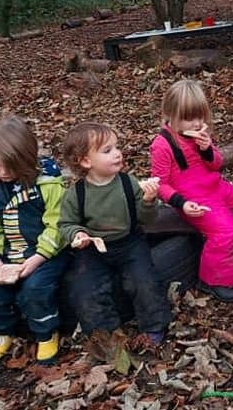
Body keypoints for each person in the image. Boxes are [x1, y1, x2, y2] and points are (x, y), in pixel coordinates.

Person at [58, 122, 171, 344]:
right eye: (107, 151)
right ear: (86, 161)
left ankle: (154, 326)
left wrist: (148, 201)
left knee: (144, 281)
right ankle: (104, 334)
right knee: (85, 289)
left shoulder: (128, 184)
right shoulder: (76, 194)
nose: (117, 154)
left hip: (129, 242)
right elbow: (66, 223)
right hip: (94, 248)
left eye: (117, 147)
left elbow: (147, 219)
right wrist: (78, 234)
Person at [150, 79, 233, 302]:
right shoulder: (162, 145)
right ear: (170, 115)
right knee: (227, 230)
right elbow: (160, 183)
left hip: (216, 187)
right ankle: (214, 279)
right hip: (193, 197)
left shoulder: (199, 136)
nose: (198, 123)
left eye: (200, 116)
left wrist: (207, 148)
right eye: (190, 118)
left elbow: (216, 164)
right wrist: (181, 203)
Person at [0, 116, 68, 366]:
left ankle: (46, 333)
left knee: (35, 289)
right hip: (12, 257)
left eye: (10, 166)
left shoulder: (47, 185)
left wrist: (39, 257)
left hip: (46, 254)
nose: (3, 173)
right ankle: (3, 333)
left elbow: (57, 223)